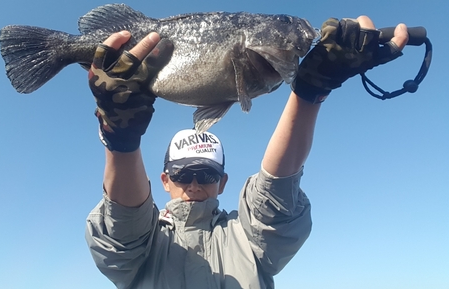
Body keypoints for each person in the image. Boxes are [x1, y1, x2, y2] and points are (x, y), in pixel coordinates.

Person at [85, 16, 409, 288]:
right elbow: (123, 222)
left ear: (223, 183)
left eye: (207, 174)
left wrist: (311, 92)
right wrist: (122, 138)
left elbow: (276, 193)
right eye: (183, 173)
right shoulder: (143, 244)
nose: (195, 184)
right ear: (165, 180)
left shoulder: (248, 238)